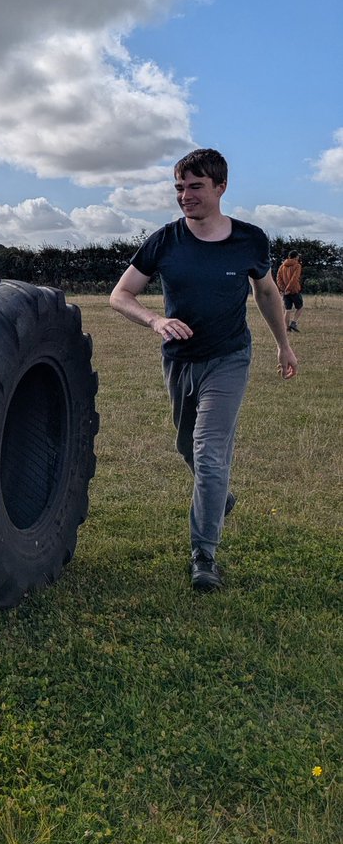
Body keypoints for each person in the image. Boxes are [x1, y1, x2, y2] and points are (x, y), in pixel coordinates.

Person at [109, 148, 297, 592]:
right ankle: (219, 498)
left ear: (220, 187)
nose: (184, 196)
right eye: (179, 187)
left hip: (229, 357)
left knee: (210, 454)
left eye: (194, 187)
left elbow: (267, 294)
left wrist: (283, 345)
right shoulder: (164, 241)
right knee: (185, 444)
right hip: (179, 361)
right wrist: (156, 320)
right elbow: (121, 294)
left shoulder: (249, 240)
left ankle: (204, 554)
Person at [276, 250, 304, 333]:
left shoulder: (282, 266)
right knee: (300, 307)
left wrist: (283, 289)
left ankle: (287, 328)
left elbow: (278, 278)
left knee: (287, 309)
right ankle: (294, 323)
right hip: (294, 290)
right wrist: (288, 289)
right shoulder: (297, 265)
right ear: (296, 257)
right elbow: (294, 278)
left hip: (285, 292)